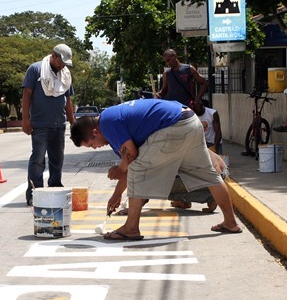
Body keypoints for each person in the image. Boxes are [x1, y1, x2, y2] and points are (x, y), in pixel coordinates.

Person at [70, 99, 242, 240]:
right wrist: (116, 194)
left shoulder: (107, 122)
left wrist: (119, 169)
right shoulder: (113, 120)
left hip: (173, 126)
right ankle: (230, 222)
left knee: (138, 169)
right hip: (190, 121)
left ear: (95, 132)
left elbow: (131, 157)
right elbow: (129, 160)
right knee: (208, 174)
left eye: (91, 144)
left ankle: (131, 228)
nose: (94, 148)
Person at [21, 44, 76, 206]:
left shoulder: (65, 74)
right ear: (53, 56)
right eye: (61, 62)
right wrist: (25, 119)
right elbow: (26, 94)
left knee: (57, 159)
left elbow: (68, 100)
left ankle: (55, 186)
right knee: (38, 159)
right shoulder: (36, 69)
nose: (63, 65)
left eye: (65, 63)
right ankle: (34, 192)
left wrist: (73, 122)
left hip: (59, 124)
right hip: (40, 124)